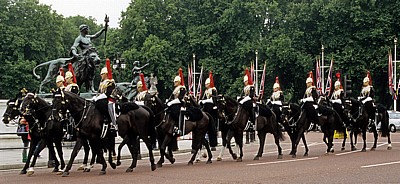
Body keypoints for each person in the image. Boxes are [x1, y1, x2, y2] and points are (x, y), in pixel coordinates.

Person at [94, 59, 117, 130]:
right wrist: (96, 97)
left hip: (110, 99)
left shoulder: (110, 82)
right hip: (103, 98)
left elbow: (108, 93)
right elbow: (99, 92)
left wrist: (98, 98)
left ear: (106, 74)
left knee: (109, 107)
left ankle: (113, 122)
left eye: (102, 74)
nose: (101, 75)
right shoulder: (102, 83)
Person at [200, 71, 218, 151]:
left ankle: (213, 144)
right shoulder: (206, 91)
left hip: (212, 109)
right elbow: (204, 98)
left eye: (207, 84)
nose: (205, 85)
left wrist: (205, 101)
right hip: (206, 108)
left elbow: (213, 100)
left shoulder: (213, 90)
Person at [166, 68, 187, 136]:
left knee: (176, 113)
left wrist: (171, 103)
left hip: (181, 104)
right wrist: (167, 102)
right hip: (175, 104)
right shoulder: (175, 89)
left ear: (179, 82)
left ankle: (178, 128)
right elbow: (172, 97)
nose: (174, 83)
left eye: (176, 82)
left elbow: (180, 98)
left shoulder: (182, 88)